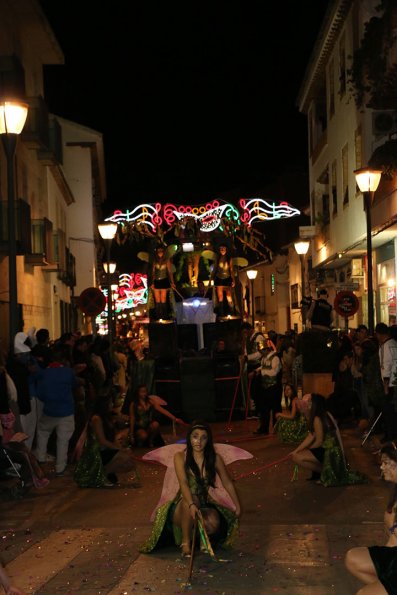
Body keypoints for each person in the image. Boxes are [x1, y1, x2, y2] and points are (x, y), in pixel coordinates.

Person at [140, 421, 242, 557]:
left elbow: (227, 483)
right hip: (182, 505)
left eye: (203, 437)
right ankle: (186, 542)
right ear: (189, 438)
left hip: (203, 505)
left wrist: (237, 505)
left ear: (208, 440)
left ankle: (200, 538)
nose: (198, 441)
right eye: (195, 436)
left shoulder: (214, 459)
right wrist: (191, 504)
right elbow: (183, 483)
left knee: (213, 522)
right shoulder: (180, 457)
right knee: (192, 501)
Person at [345, 442, 397, 593]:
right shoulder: (395, 491)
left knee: (363, 594)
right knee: (352, 558)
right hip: (394, 555)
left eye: (387, 463)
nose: (382, 467)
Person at [291, 393, 366, 486]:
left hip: (330, 452)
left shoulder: (317, 418)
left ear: (312, 405)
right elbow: (311, 435)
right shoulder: (319, 414)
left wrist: (305, 451)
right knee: (297, 455)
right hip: (330, 450)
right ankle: (326, 471)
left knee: (298, 457)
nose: (302, 405)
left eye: (306, 403)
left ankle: (327, 473)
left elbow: (319, 441)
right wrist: (297, 450)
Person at [74, 395, 137, 487]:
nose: (112, 404)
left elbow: (113, 437)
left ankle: (107, 473)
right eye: (110, 403)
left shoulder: (107, 417)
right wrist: (120, 450)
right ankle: (101, 475)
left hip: (106, 449)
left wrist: (122, 447)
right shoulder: (97, 418)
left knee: (129, 460)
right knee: (124, 458)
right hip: (97, 452)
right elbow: (102, 441)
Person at [251, 345, 282, 435]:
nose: (261, 353)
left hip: (274, 387)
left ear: (266, 350)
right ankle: (264, 429)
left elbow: (274, 372)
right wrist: (256, 370)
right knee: (264, 408)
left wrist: (262, 372)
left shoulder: (275, 358)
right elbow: (263, 367)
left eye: (262, 351)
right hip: (265, 387)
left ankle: (277, 429)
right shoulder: (264, 359)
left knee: (276, 408)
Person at [375, 322, 397, 442]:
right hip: (396, 381)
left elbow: (386, 366)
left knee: (388, 411)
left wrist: (385, 385)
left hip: (390, 383)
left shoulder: (385, 346)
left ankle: (390, 435)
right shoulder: (394, 343)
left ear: (378, 334)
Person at [209, 244, 235, 317]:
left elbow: (231, 270)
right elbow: (214, 270)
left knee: (228, 296)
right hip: (219, 278)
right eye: (221, 249)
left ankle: (232, 311)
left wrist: (233, 280)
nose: (222, 250)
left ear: (226, 249)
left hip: (227, 277)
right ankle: (221, 313)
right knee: (220, 297)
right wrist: (211, 279)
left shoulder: (229, 258)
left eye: (223, 248)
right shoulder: (217, 258)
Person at [150, 245, 176, 320]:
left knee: (163, 298)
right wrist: (152, 283)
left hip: (164, 280)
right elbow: (153, 273)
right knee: (157, 300)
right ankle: (158, 316)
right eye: (158, 251)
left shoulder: (167, 260)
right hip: (156, 281)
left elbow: (170, 272)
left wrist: (172, 282)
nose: (160, 253)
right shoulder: (154, 261)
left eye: (161, 251)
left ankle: (164, 316)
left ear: (163, 252)